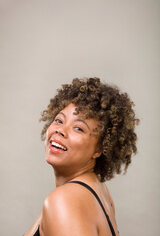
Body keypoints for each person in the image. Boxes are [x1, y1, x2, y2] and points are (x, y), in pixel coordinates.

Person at [24, 77, 139, 236]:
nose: (61, 130)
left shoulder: (65, 201)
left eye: (78, 128)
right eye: (59, 120)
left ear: (100, 149)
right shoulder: (97, 191)